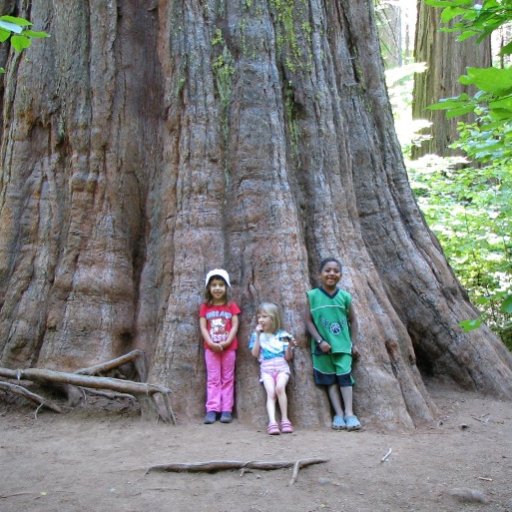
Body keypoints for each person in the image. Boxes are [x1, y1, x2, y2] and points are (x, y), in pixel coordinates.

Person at [305, 257, 361, 431]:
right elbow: (308, 321)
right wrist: (320, 341)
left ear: (340, 275)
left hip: (343, 347)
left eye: (336, 271)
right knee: (330, 381)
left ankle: (349, 414)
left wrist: (353, 343)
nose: (331, 274)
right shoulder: (312, 296)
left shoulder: (345, 297)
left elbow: (353, 321)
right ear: (320, 274)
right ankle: (338, 414)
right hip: (322, 348)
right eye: (327, 270)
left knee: (345, 378)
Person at [249, 302, 297, 435]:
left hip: (282, 366)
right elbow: (254, 353)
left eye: (264, 316)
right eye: (259, 316)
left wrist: (289, 346)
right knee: (271, 393)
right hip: (266, 368)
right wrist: (258, 336)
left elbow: (288, 357)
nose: (260, 320)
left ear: (273, 318)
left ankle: (285, 419)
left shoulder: (282, 335)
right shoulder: (257, 336)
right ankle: (272, 422)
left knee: (280, 388)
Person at [200, 269, 241, 424]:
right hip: (210, 349)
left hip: (229, 348)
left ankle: (226, 410)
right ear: (209, 288)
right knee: (213, 379)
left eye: (221, 285)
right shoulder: (205, 307)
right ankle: (212, 409)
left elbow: (235, 326)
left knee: (227, 379)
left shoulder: (231, 306)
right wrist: (210, 342)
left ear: (226, 287)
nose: (217, 288)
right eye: (214, 285)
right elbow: (203, 327)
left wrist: (227, 341)